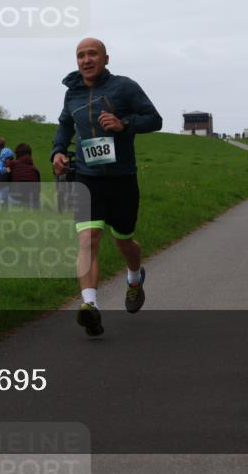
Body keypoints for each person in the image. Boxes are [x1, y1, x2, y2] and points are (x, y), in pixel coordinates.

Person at [51, 38, 162, 337]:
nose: (86, 60)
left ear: (105, 58)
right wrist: (58, 151)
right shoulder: (71, 93)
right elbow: (64, 125)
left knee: (124, 241)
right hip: (87, 178)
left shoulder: (124, 87)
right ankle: (90, 306)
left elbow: (155, 119)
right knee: (88, 239)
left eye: (92, 54)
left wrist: (124, 123)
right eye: (80, 55)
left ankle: (135, 278)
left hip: (122, 178)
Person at [7, 142, 41, 208]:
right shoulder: (35, 170)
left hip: (16, 198)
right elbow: (38, 189)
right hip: (32, 200)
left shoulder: (13, 165)